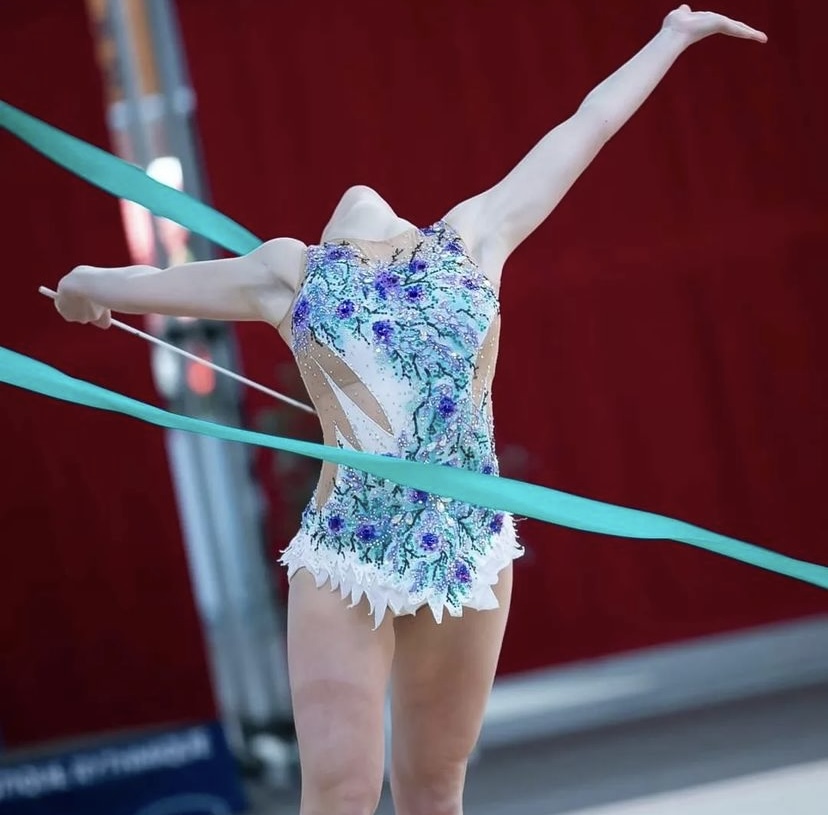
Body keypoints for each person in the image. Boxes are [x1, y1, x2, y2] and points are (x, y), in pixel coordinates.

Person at [52, 6, 766, 814]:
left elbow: (587, 126)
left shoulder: (470, 237)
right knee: (343, 794)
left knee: (432, 791)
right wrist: (85, 285)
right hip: (347, 554)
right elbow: (154, 284)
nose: (360, 198)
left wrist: (671, 36)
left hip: (465, 550)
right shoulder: (296, 271)